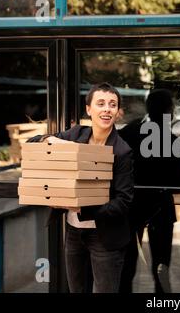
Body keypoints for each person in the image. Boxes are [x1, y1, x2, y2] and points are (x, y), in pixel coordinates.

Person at [28, 82, 134, 293]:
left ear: (118, 112)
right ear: (88, 109)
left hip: (105, 237)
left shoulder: (122, 151)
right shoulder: (76, 134)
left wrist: (82, 208)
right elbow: (32, 143)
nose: (107, 109)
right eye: (101, 103)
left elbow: (124, 202)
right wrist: (50, 140)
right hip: (74, 233)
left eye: (112, 104)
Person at [119, 89, 180, 293]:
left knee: (127, 266)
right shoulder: (175, 142)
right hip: (161, 208)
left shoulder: (128, 133)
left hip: (132, 206)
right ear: (170, 112)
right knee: (161, 267)